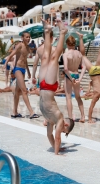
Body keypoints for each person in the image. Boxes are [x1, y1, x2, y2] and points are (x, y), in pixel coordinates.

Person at [39, 19, 74, 155]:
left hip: (43, 86)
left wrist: (55, 148)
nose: (60, 131)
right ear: (65, 125)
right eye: (65, 130)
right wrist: (57, 153)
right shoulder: (58, 118)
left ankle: (47, 31)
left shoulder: (50, 120)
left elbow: (50, 136)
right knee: (54, 58)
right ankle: (63, 32)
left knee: (45, 57)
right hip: (49, 86)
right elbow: (57, 137)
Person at [3, 32, 39, 119]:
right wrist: (5, 64)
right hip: (17, 69)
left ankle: (15, 112)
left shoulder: (28, 48)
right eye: (26, 37)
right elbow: (11, 55)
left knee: (17, 92)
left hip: (23, 70)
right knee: (24, 91)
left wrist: (28, 71)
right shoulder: (19, 45)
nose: (28, 38)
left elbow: (25, 60)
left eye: (29, 37)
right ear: (22, 38)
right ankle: (31, 112)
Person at [77, 32, 100, 123]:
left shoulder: (97, 94)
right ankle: (81, 38)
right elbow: (91, 107)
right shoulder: (96, 95)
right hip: (94, 73)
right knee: (83, 56)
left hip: (97, 72)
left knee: (85, 55)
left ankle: (81, 37)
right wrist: (90, 119)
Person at [63, 35, 86, 122]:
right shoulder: (79, 54)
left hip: (69, 75)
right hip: (76, 75)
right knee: (78, 97)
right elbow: (83, 67)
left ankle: (70, 117)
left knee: (68, 97)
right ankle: (83, 116)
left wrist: (70, 77)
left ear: (67, 44)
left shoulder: (66, 54)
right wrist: (79, 78)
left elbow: (65, 69)